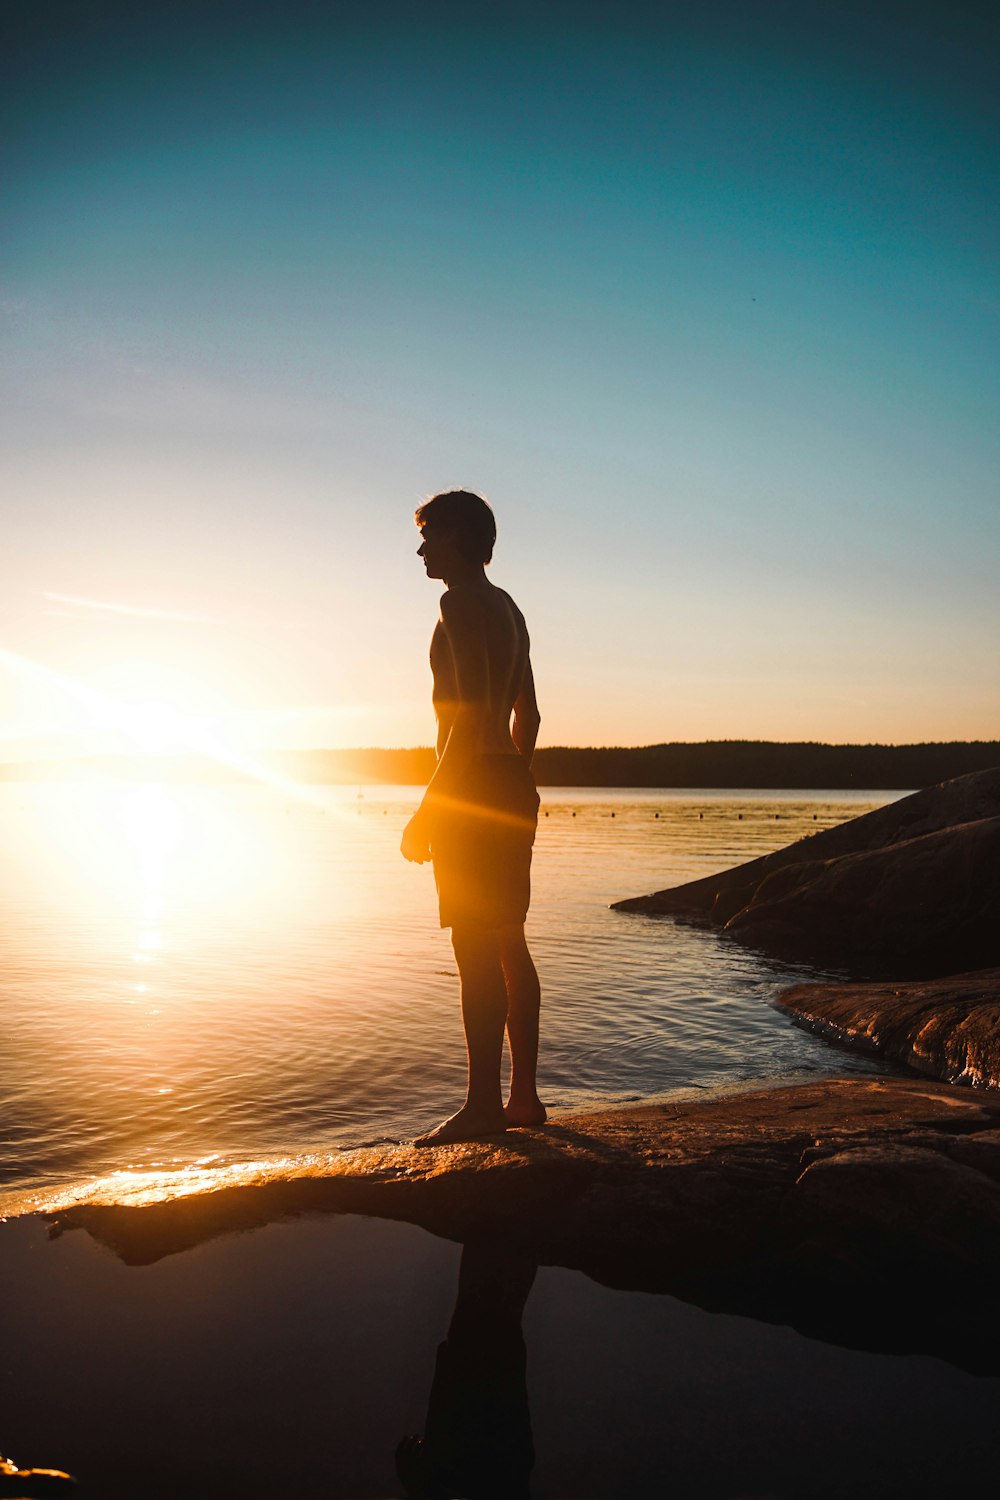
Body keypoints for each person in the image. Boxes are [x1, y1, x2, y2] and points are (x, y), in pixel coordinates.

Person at [401, 489, 546, 1147]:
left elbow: (469, 721)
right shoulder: (509, 607)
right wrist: (512, 778)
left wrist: (430, 809)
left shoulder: (458, 604)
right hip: (511, 784)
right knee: (509, 937)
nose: (422, 548)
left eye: (431, 535)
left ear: (460, 537)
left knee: (473, 947)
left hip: (475, 788)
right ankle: (523, 1098)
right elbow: (528, 717)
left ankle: (482, 1105)